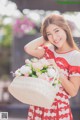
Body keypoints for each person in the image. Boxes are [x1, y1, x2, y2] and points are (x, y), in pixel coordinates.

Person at [24, 14, 80, 120]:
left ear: (65, 29)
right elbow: (28, 48)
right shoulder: (49, 50)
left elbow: (73, 91)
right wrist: (45, 35)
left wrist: (56, 70)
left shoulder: (75, 56)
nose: (54, 38)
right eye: (49, 34)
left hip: (58, 110)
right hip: (38, 106)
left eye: (57, 31)